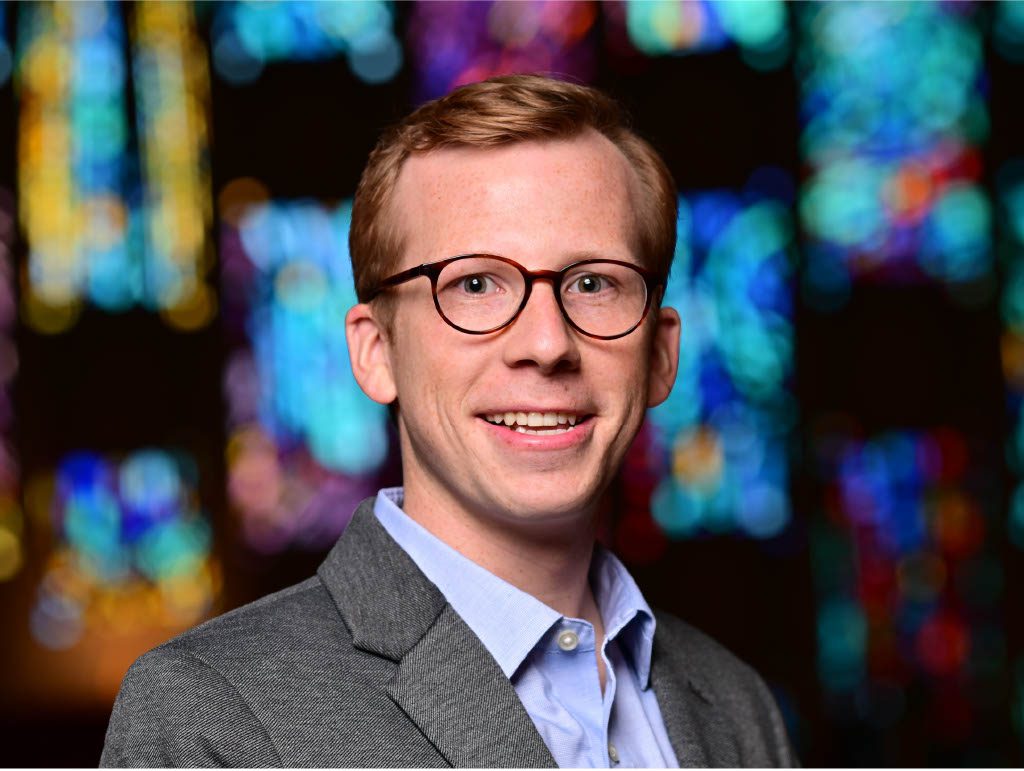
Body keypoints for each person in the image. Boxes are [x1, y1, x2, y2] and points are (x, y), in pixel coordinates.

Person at [100, 74, 797, 768]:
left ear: (661, 354)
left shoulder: (737, 705)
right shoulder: (212, 715)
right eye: (475, 283)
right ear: (376, 352)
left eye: (592, 282)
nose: (547, 343)